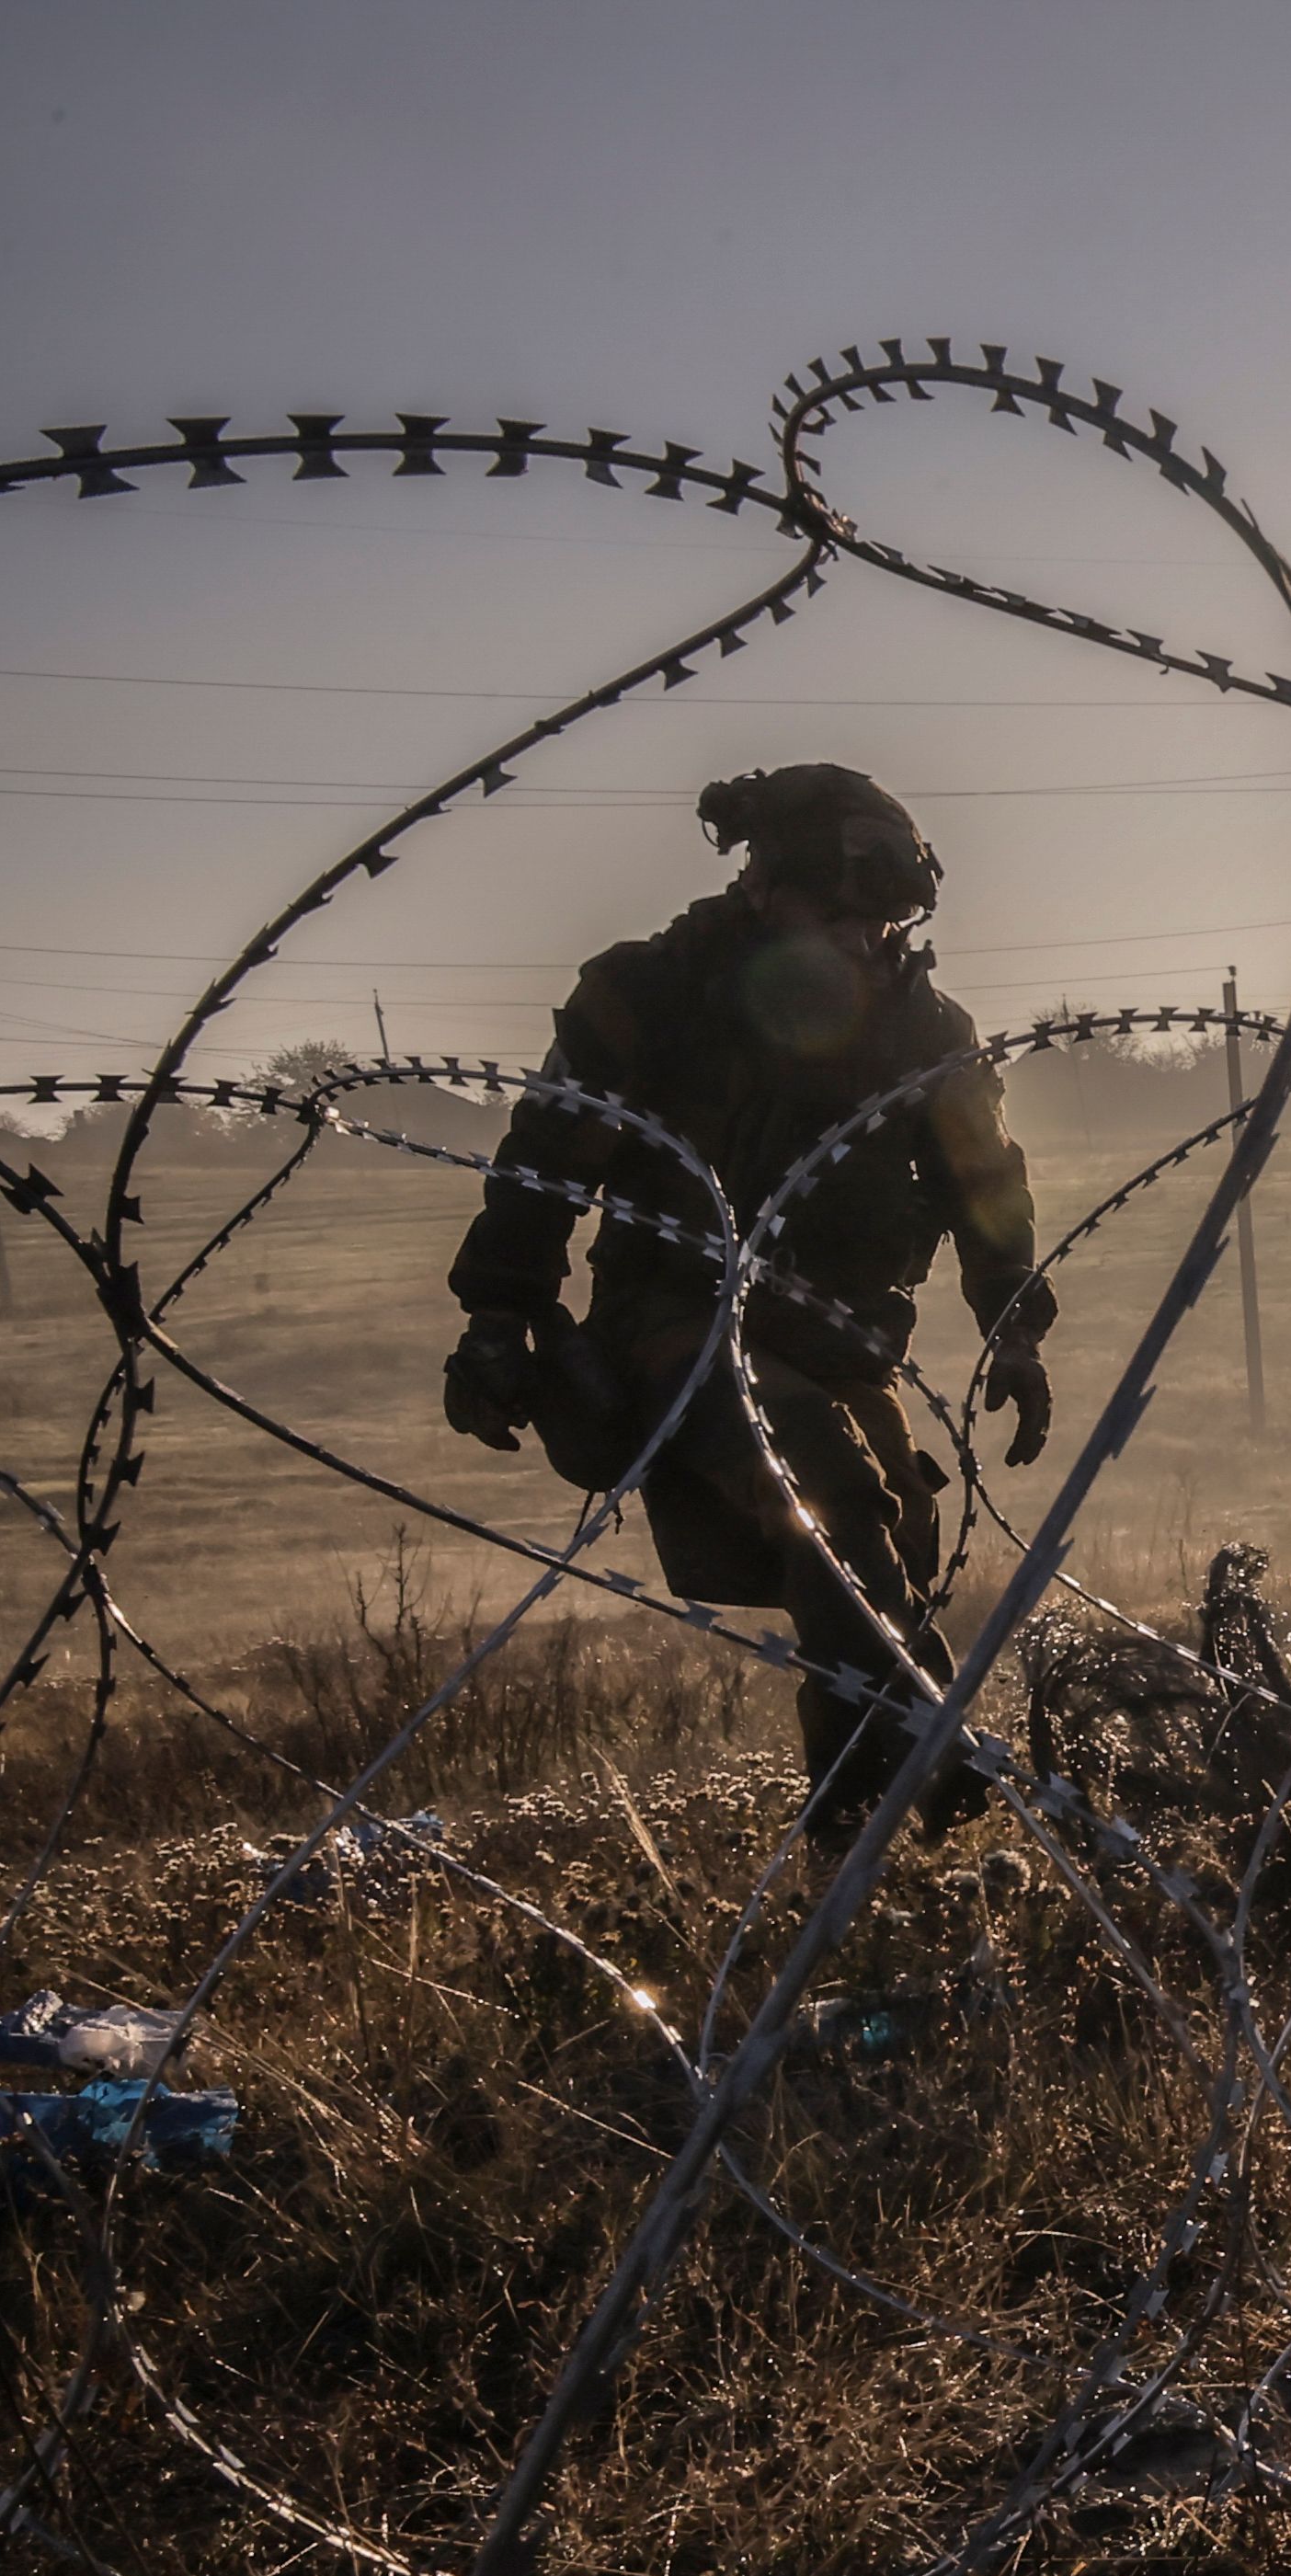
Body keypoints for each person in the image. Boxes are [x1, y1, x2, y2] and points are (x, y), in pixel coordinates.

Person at [441, 766, 1055, 1836]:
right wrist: (498, 1317)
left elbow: (985, 1186)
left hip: (841, 1340)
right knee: (823, 1497)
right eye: (840, 913)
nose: (864, 941)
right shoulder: (650, 995)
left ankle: (847, 1849)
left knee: (879, 1559)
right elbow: (544, 1162)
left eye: (886, 922)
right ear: (766, 889)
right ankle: (928, 1762)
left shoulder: (923, 1032)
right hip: (676, 1325)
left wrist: (1015, 1331)